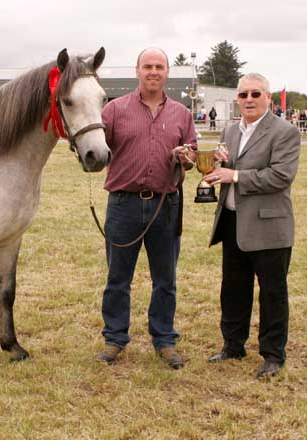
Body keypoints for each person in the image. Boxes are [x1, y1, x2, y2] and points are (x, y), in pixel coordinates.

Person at [97, 47, 197, 369]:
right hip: (123, 205)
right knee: (117, 278)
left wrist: (187, 158)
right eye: (147, 66)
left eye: (159, 66)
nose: (154, 71)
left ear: (167, 72)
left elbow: (193, 156)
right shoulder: (113, 110)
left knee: (165, 279)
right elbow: (97, 149)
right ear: (137, 70)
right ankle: (114, 337)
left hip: (166, 206)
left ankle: (164, 339)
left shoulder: (182, 113)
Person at [203, 73, 300, 379]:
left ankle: (273, 354)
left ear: (268, 98)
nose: (248, 100)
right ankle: (233, 345)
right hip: (232, 223)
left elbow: (280, 176)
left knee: (272, 293)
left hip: (270, 228)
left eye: (255, 94)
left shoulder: (284, 132)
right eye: (243, 94)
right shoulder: (231, 131)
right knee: (232, 289)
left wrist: (236, 176)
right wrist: (217, 168)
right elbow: (228, 170)